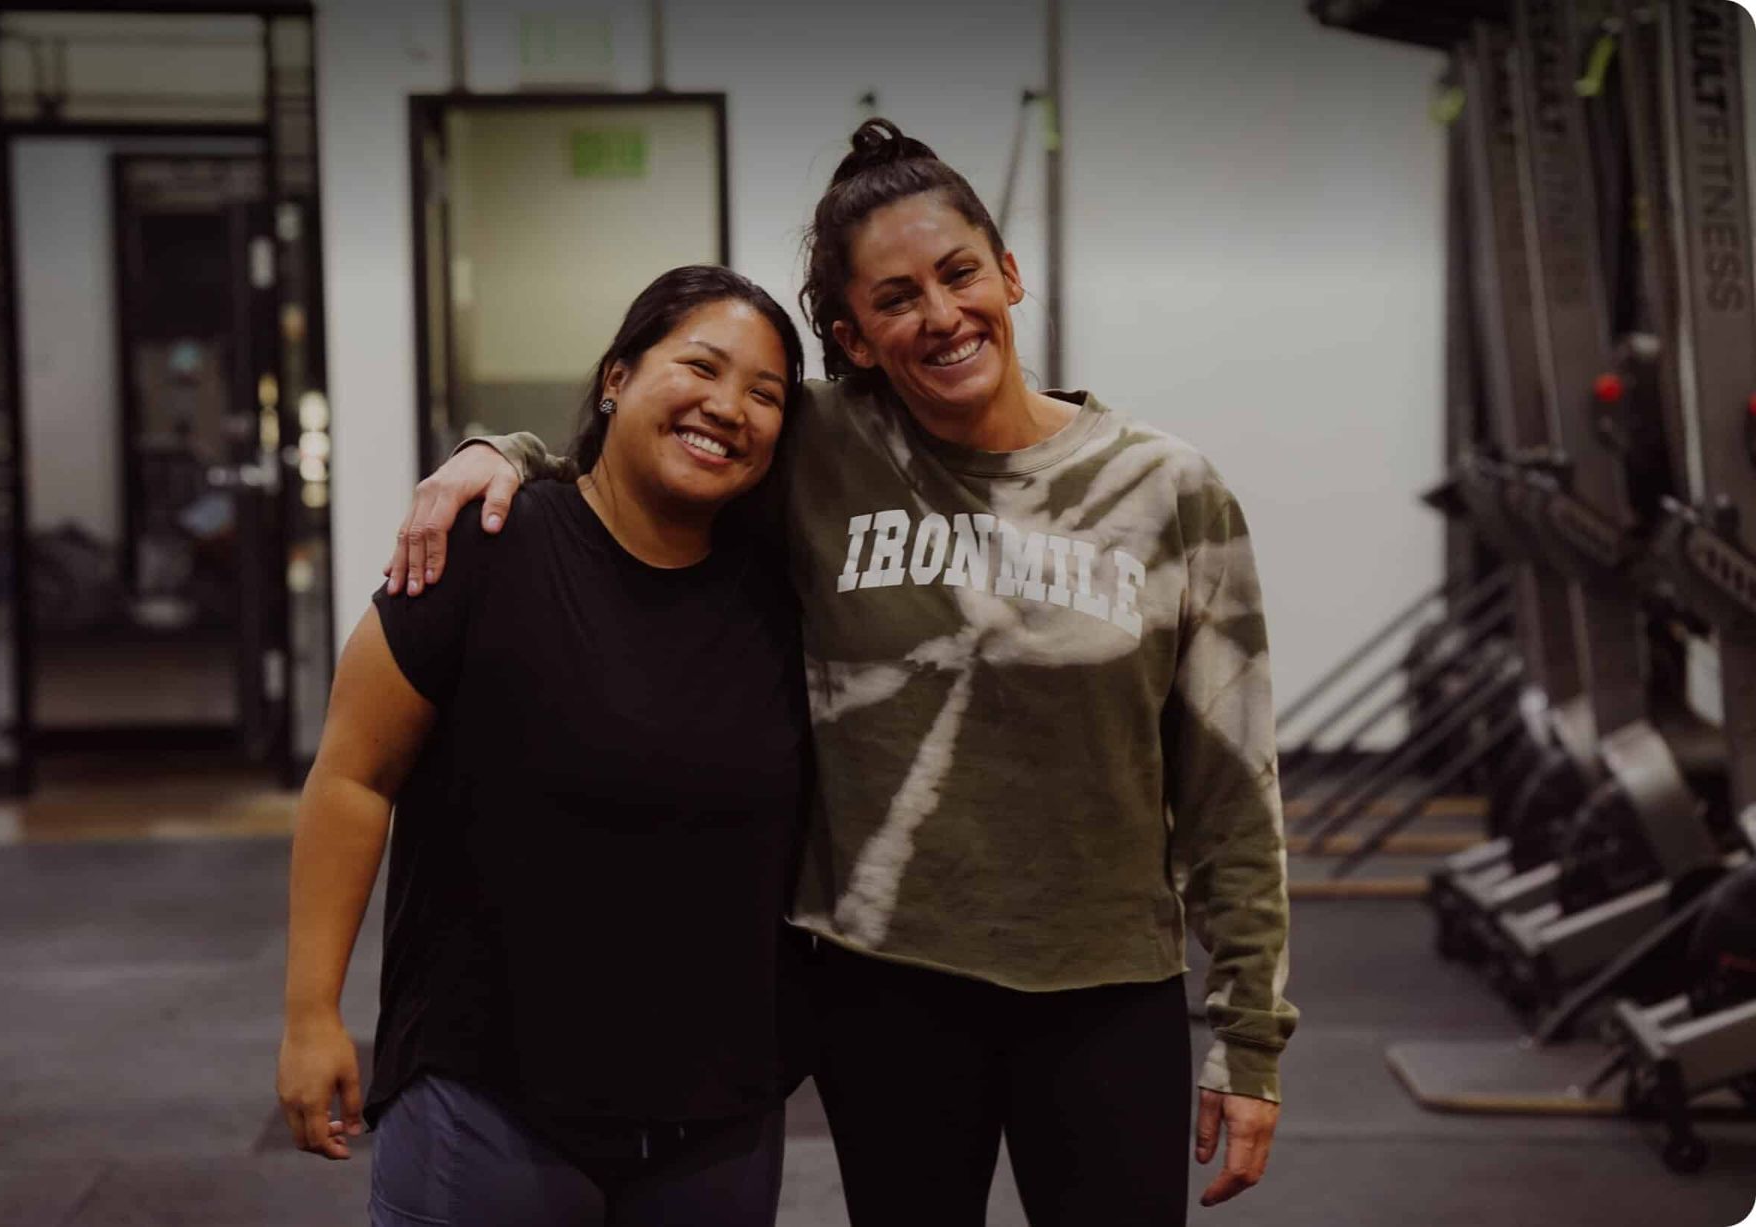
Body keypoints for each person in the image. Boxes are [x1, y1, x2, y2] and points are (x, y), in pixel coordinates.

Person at [386, 119, 1297, 1226]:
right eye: (896, 298)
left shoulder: (1170, 491)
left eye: (960, 274)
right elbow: (655, 447)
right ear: (855, 337)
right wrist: (503, 453)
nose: (941, 315)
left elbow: (1233, 789)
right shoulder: (819, 446)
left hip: (1104, 988)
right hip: (884, 987)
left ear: (1010, 275)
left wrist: (1251, 1036)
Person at [278, 265, 813, 1227]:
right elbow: (354, 775)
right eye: (701, 366)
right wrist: (312, 1013)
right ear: (617, 378)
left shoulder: (781, 591)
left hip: (719, 1118)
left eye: (765, 394)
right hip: (489, 1100)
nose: (728, 407)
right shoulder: (483, 546)